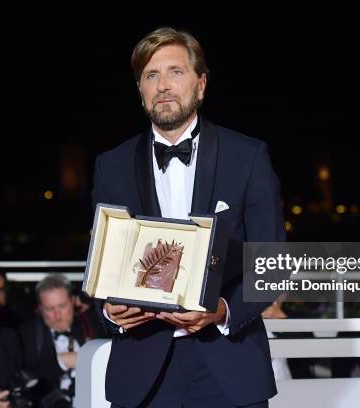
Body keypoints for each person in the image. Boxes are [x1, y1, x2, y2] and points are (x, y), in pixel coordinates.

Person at [91, 27, 285, 407]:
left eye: (175, 72)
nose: (163, 85)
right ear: (140, 90)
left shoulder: (247, 157)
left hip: (229, 365)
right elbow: (100, 263)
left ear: (201, 84)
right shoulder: (110, 166)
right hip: (142, 370)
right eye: (151, 75)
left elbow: (273, 263)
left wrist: (223, 311)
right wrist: (109, 311)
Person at [19, 274, 103, 404]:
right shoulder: (28, 334)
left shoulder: (91, 324)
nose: (58, 315)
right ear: (40, 309)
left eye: (62, 306)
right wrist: (61, 362)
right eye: (50, 309)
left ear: (73, 301)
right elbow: (28, 379)